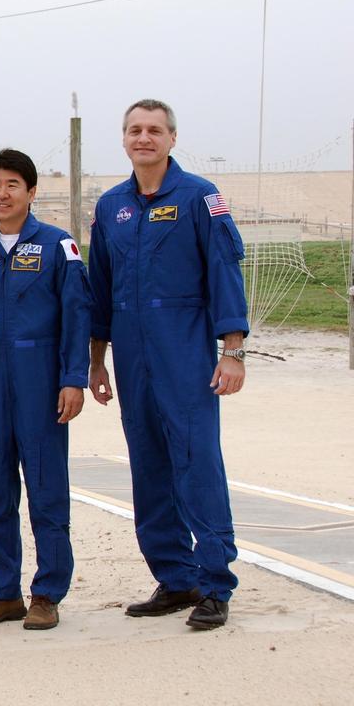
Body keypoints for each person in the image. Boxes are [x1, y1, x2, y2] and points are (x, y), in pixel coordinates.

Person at [88, 99, 248, 631]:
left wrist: (232, 352)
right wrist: (97, 360)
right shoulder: (112, 206)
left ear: (172, 139)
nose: (144, 138)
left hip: (184, 348)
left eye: (154, 130)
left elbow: (224, 272)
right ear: (124, 139)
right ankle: (175, 577)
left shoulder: (201, 197)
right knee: (149, 464)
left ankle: (215, 583)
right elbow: (101, 291)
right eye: (134, 129)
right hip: (132, 354)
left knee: (196, 461)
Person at [0, 149, 91, 631]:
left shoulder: (57, 246)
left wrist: (73, 379)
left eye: (12, 185)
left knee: (46, 488)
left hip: (40, 379)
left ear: (31, 192)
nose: (1, 193)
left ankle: (47, 593)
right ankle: (2, 592)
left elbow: (76, 317)